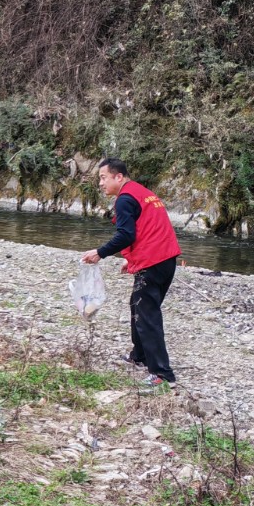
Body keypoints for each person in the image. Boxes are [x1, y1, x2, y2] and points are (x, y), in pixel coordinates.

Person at [81, 158, 181, 388]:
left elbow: (126, 234)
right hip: (166, 259)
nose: (100, 183)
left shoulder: (125, 199)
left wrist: (100, 253)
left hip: (154, 261)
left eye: (103, 178)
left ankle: (163, 374)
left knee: (147, 316)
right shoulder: (142, 192)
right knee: (138, 306)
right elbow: (150, 227)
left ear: (118, 177)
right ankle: (140, 355)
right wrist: (133, 258)